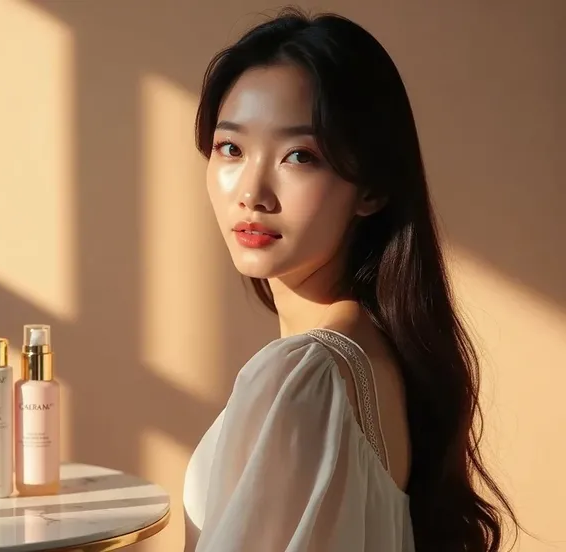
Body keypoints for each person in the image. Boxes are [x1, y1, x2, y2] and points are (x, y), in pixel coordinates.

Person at [182, 8, 519, 552]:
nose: (252, 192)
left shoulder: (305, 375)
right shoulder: (374, 352)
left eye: (299, 155)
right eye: (231, 148)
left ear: (371, 189)